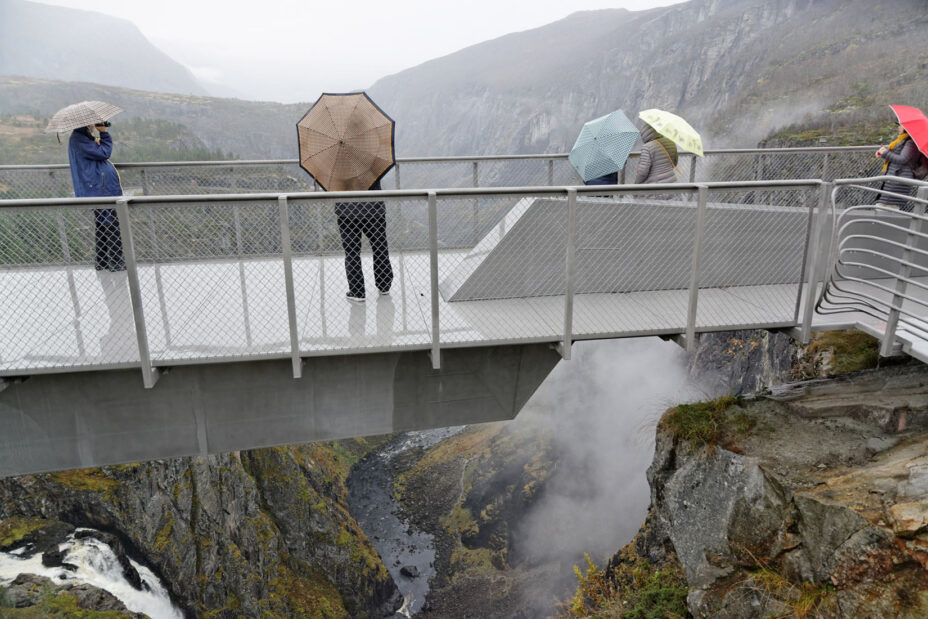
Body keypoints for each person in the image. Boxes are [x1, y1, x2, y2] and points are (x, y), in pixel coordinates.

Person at [68, 122, 125, 271]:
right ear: (85, 124)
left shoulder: (81, 138)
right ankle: (116, 261)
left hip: (98, 187)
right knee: (111, 224)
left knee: (102, 224)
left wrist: (94, 141)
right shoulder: (79, 139)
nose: (95, 125)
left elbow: (93, 154)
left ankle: (102, 261)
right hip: (100, 189)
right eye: (93, 123)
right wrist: (104, 134)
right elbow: (104, 153)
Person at [334, 179, 393, 303]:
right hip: (374, 208)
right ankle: (384, 284)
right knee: (380, 246)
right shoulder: (371, 161)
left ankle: (357, 291)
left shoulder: (338, 166)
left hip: (347, 211)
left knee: (352, 251)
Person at [875, 123, 921, 211]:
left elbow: (902, 159)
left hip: (898, 180)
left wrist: (885, 153)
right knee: (884, 207)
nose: (899, 127)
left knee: (886, 208)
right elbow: (897, 155)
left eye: (901, 126)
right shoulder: (903, 140)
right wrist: (884, 152)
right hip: (895, 178)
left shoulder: (910, 142)